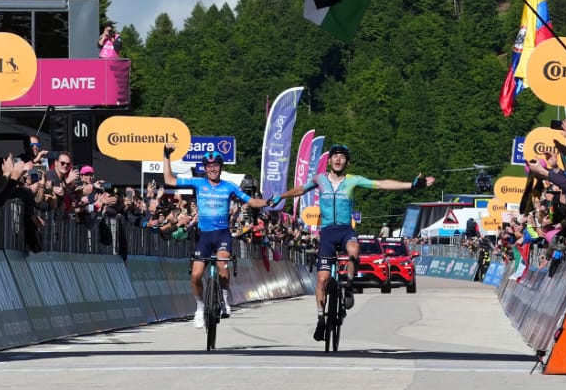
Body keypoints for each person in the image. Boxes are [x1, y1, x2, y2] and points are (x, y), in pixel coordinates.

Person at [269, 144, 433, 341]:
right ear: (329, 161)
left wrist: (412, 185)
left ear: (347, 162)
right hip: (328, 232)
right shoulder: (320, 179)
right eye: (335, 157)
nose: (338, 160)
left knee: (354, 250)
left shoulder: (353, 180)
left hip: (346, 230)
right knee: (321, 280)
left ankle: (348, 286)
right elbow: (300, 190)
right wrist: (281, 196)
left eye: (342, 157)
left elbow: (381, 184)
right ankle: (321, 319)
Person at [158, 145, 268, 328]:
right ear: (204, 169)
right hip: (205, 236)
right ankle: (200, 307)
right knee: (195, 275)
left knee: (222, 262)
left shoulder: (229, 187)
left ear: (220, 167)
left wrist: (269, 202)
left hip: (223, 234)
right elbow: (169, 180)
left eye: (215, 165)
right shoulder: (198, 183)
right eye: (208, 166)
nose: (212, 169)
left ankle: (224, 300)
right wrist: (166, 156)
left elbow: (252, 201)